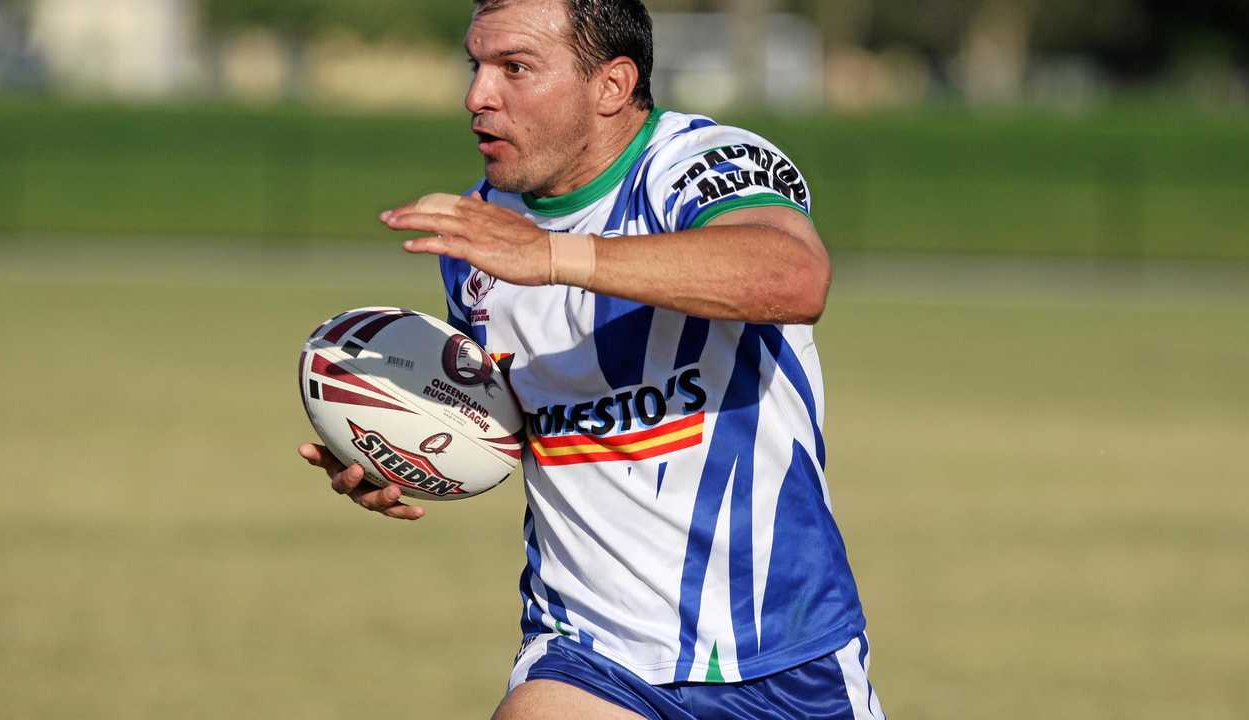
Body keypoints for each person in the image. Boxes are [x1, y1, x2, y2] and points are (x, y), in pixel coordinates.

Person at [298, 1, 884, 717]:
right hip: (588, 652)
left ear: (611, 86)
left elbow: (794, 275)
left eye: (514, 67)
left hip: (781, 652)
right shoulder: (483, 232)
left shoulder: (701, 163)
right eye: (475, 66)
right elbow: (506, 417)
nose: (477, 95)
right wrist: (403, 448)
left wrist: (551, 257)